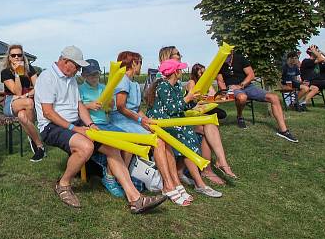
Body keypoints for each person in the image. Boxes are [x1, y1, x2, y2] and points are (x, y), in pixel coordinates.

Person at [34, 46, 166, 213]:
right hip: (52, 126)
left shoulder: (71, 79)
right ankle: (63, 184)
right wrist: (76, 128)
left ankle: (136, 199)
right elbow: (48, 112)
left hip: (75, 123)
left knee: (114, 147)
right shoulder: (47, 77)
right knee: (86, 147)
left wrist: (89, 124)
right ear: (65, 61)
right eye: (77, 66)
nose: (78, 70)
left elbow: (79, 105)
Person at [107, 51, 188, 206]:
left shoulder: (134, 83)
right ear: (133, 63)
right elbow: (121, 107)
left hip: (132, 120)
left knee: (163, 136)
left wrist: (148, 121)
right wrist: (140, 120)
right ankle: (167, 184)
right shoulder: (122, 80)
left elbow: (136, 108)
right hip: (121, 121)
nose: (140, 67)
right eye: (139, 63)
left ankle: (173, 181)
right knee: (158, 141)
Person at [146, 59, 223, 198]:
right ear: (175, 72)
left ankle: (184, 174)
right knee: (187, 139)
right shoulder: (163, 86)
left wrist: (194, 100)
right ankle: (199, 184)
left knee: (189, 134)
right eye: (180, 69)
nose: (182, 71)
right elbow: (171, 109)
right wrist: (188, 98)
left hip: (171, 120)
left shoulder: (175, 86)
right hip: (160, 123)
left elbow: (181, 107)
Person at [216, 50, 298, 143]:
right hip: (233, 89)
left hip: (247, 86)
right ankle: (239, 116)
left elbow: (251, 75)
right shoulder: (220, 63)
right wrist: (225, 91)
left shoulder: (240, 58)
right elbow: (220, 81)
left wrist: (241, 85)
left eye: (227, 55)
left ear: (231, 53)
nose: (224, 57)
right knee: (242, 97)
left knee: (274, 97)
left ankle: (284, 131)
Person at [77, 59, 127, 197]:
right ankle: (110, 179)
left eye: (96, 74)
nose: (94, 77)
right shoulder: (80, 89)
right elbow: (77, 108)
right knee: (115, 144)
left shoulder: (104, 87)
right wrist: (89, 105)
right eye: (90, 74)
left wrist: (110, 104)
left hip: (106, 123)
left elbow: (110, 107)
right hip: (92, 125)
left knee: (129, 143)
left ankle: (122, 176)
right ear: (84, 76)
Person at [185, 64, 236, 184]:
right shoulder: (192, 82)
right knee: (208, 128)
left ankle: (220, 163)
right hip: (191, 113)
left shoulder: (207, 83)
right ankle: (215, 166)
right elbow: (194, 101)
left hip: (202, 112)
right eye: (201, 72)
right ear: (195, 73)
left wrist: (211, 94)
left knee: (211, 124)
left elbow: (213, 96)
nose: (203, 74)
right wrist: (206, 98)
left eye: (204, 72)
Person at [0, 44, 45, 162]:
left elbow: (39, 88)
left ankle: (37, 145)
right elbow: (16, 91)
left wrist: (26, 95)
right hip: (11, 101)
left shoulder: (30, 68)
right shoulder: (5, 72)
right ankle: (35, 138)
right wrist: (17, 73)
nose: (16, 57)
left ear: (22, 56)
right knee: (29, 103)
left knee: (22, 115)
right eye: (13, 55)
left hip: (26, 99)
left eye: (19, 55)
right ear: (9, 57)